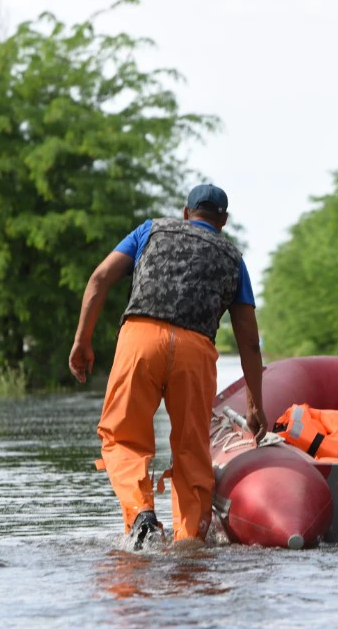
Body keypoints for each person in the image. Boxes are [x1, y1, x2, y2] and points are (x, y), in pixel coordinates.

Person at [68, 183, 267, 549]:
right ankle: (189, 541)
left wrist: (82, 340)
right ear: (223, 220)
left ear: (186, 212)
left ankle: (141, 514)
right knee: (192, 450)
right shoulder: (233, 258)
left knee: (122, 436)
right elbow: (249, 342)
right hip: (195, 349)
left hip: (140, 338)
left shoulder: (150, 230)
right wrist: (255, 404)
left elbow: (99, 279)